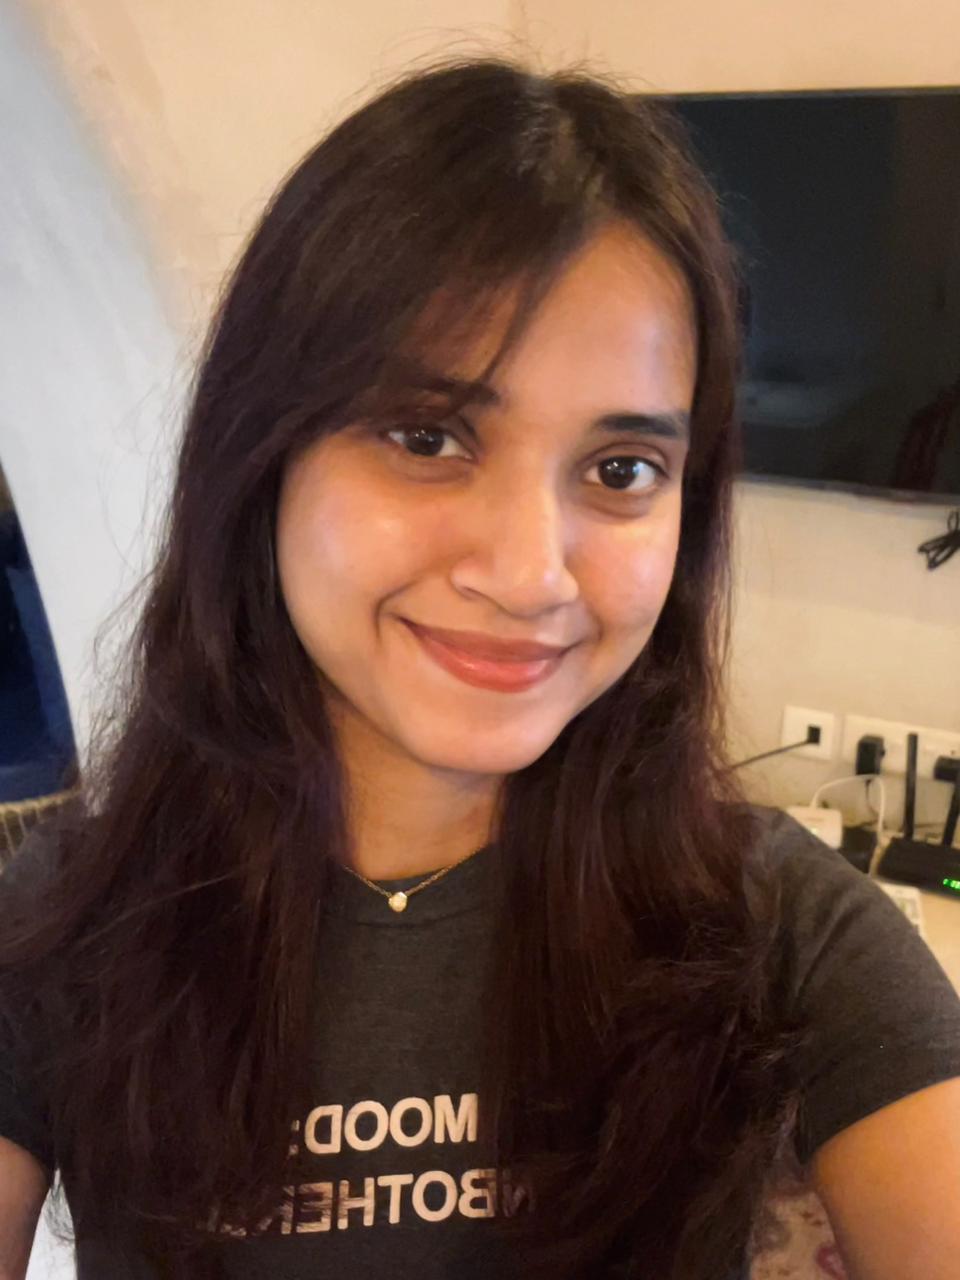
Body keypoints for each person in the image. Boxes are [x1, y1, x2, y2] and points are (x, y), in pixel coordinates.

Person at [1, 53, 959, 1280]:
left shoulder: (785, 928)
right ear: (262, 457)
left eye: (621, 470)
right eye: (427, 436)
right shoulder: (69, 915)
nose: (529, 572)